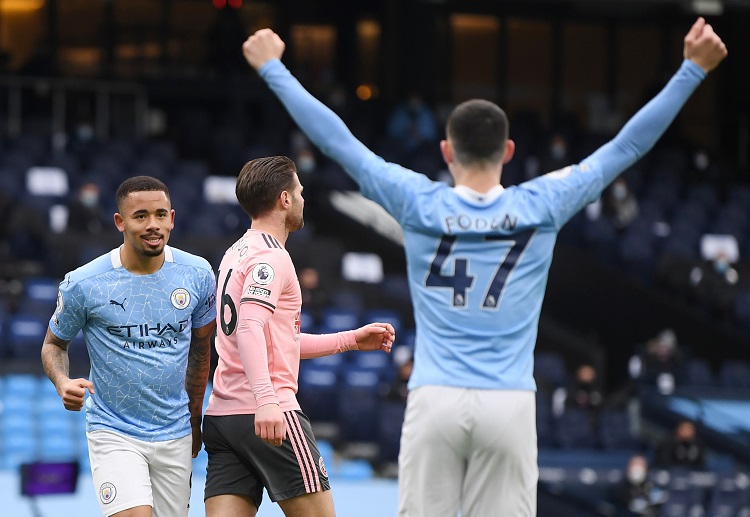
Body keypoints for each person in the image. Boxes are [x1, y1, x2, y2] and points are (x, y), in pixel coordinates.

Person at [240, 18, 727, 517]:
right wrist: (692, 69)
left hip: (435, 397)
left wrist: (273, 67)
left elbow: (338, 142)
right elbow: (626, 147)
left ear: (446, 151)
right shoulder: (542, 203)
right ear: (508, 151)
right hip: (508, 400)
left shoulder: (418, 201)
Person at [202, 156, 396, 517]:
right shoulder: (272, 258)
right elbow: (250, 328)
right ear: (285, 199)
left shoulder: (235, 252)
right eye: (300, 192)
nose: (303, 199)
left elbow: (277, 342)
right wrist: (267, 400)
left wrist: (352, 339)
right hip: (267, 411)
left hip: (224, 416)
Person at [41, 175, 217, 517]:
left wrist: (194, 420)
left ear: (172, 218)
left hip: (175, 432)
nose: (153, 225)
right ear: (120, 222)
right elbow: (53, 345)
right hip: (114, 431)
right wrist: (62, 381)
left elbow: (201, 350)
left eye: (161, 215)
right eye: (141, 216)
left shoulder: (198, 274)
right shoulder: (84, 283)